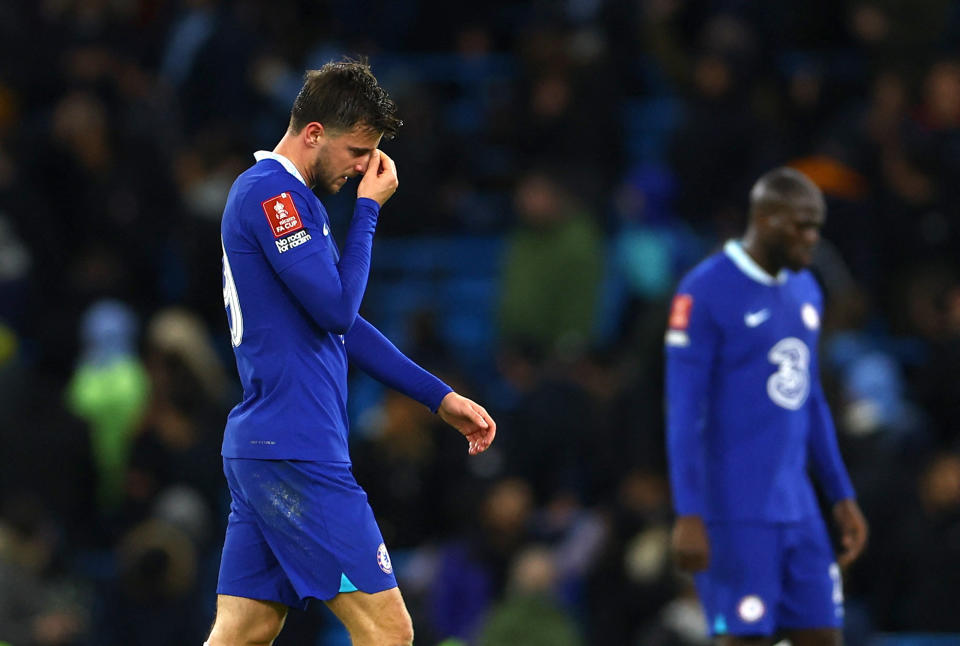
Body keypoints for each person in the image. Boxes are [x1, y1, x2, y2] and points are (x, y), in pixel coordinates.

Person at [207, 59, 497, 646]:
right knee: (390, 632)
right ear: (314, 132)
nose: (366, 167)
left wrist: (438, 397)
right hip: (296, 449)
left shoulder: (292, 202)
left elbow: (342, 325)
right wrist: (368, 210)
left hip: (270, 446)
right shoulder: (271, 194)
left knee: (246, 629)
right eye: (358, 150)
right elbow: (340, 309)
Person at [664, 167, 868, 645]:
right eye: (801, 225)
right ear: (766, 218)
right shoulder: (706, 290)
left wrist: (840, 496)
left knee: (823, 636)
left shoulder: (806, 290)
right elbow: (684, 412)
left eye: (817, 225)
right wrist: (689, 513)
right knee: (745, 640)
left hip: (799, 508)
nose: (812, 238)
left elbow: (810, 399)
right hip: (734, 510)